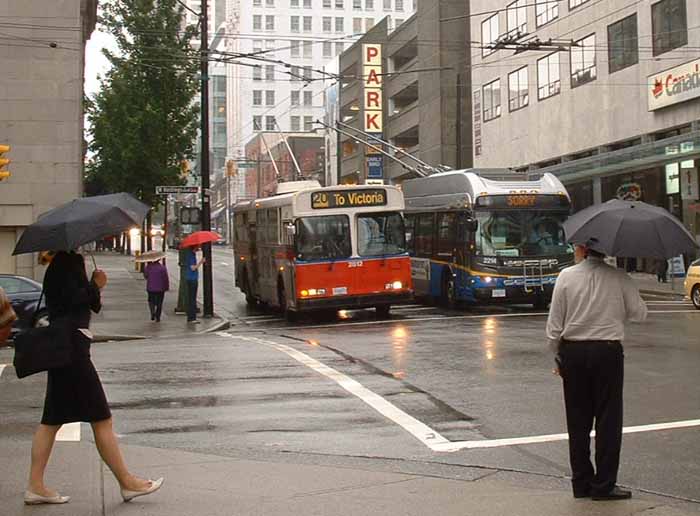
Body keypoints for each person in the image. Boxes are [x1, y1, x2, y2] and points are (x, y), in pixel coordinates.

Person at [24, 251, 163, 505]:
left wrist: (95, 284)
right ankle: (127, 482)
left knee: (52, 421)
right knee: (102, 419)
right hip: (73, 351)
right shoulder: (67, 263)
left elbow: (89, 304)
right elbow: (74, 301)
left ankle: (35, 485)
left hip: (64, 350)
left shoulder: (60, 265)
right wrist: (94, 285)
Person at [546, 242, 647, 501]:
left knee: (577, 420)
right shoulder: (619, 277)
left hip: (573, 352)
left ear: (583, 249)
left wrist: (557, 356)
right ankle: (604, 485)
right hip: (607, 352)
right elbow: (639, 313)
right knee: (608, 419)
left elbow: (554, 324)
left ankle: (581, 482)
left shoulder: (566, 276)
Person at [184, 246, 205, 324]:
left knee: (191, 298)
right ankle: (192, 318)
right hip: (192, 279)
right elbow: (193, 268)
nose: (198, 248)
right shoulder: (191, 255)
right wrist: (201, 262)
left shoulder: (190, 254)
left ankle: (191, 317)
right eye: (197, 247)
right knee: (192, 299)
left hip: (190, 278)